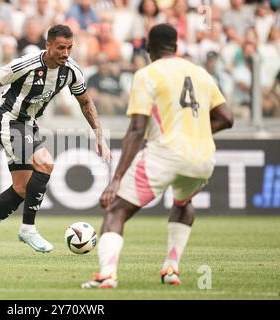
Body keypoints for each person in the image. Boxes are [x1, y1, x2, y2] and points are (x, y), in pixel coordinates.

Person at [82, 24, 234, 289]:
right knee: (183, 203)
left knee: (116, 209)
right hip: (203, 158)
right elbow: (226, 118)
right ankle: (171, 268)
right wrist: (194, 131)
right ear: (176, 47)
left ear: (149, 48)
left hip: (164, 153)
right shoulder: (201, 74)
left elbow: (137, 130)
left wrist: (116, 179)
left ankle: (107, 274)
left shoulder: (147, 74)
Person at [0, 24, 111, 254]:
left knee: (22, 188)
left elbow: (85, 102)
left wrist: (99, 134)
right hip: (6, 119)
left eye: (69, 48)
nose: (65, 53)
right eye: (60, 47)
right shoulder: (27, 64)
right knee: (45, 163)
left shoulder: (72, 71)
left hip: (28, 124)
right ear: (48, 45)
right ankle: (28, 229)